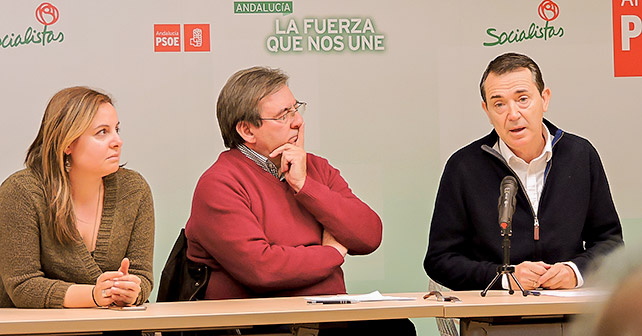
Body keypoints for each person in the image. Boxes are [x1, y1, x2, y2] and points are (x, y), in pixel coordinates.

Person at [185, 66, 415, 335]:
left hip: (328, 319)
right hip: (263, 327)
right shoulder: (219, 183)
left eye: (296, 109)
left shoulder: (314, 168)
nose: (298, 122)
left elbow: (369, 236)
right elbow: (263, 269)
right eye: (284, 115)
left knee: (396, 329)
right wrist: (331, 253)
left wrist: (305, 186)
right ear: (247, 131)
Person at [424, 53, 623, 291]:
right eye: (499, 104)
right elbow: (440, 260)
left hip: (571, 315)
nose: (513, 114)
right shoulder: (463, 167)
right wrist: (505, 277)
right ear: (486, 111)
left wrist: (575, 271)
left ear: (544, 99)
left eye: (523, 99)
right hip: (493, 319)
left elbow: (610, 243)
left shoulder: (580, 156)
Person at [0, 86, 154, 309]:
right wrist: (93, 295)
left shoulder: (134, 190)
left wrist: (131, 291)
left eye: (117, 129)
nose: (117, 141)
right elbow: (23, 286)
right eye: (102, 132)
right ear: (67, 143)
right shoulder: (21, 192)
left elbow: (142, 275)